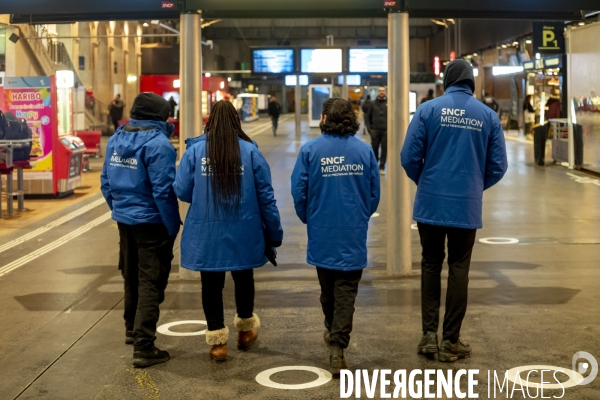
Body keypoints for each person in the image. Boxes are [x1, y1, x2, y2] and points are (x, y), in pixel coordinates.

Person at [401, 59, 507, 363]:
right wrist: (473, 185)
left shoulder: (428, 110)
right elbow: (498, 166)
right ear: (471, 81)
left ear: (447, 80)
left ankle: (428, 338)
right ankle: (450, 341)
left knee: (431, 264)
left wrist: (426, 181)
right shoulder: (488, 116)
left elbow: (409, 156)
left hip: (430, 203)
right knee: (460, 269)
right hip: (466, 207)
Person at [174, 100, 283, 362]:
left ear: (209, 121)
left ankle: (217, 343)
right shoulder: (250, 151)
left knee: (211, 283)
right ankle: (245, 331)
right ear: (237, 121)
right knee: (243, 277)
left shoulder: (195, 151)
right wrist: (275, 232)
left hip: (206, 231)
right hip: (244, 228)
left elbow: (181, 190)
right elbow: (266, 196)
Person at [291, 98, 380, 377]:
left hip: (322, 230)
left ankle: (333, 335)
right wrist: (360, 214)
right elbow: (373, 194)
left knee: (327, 290)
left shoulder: (310, 151)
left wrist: (311, 217)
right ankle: (337, 346)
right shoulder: (364, 152)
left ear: (325, 118)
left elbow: (299, 192)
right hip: (352, 231)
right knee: (346, 292)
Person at [100, 93, 180, 368]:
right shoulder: (159, 145)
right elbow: (163, 191)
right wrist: (171, 226)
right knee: (151, 280)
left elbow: (105, 182)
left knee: (130, 274)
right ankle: (145, 346)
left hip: (124, 220)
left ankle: (131, 329)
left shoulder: (116, 138)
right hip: (152, 222)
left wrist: (119, 208)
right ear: (159, 117)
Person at [365, 87, 388, 174]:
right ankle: (374, 167)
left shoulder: (389, 103)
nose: (381, 92)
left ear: (385, 92)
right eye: (380, 91)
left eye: (383, 91)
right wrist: (369, 129)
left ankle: (382, 167)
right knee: (374, 149)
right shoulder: (372, 104)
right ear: (378, 92)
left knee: (384, 149)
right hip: (375, 130)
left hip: (386, 131)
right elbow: (367, 117)